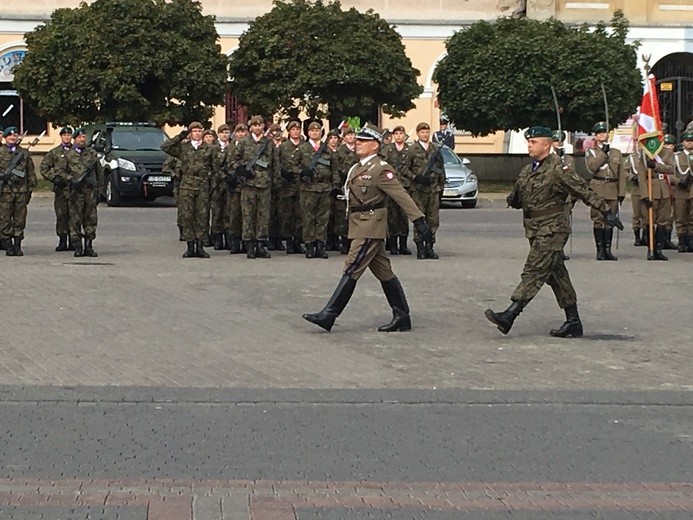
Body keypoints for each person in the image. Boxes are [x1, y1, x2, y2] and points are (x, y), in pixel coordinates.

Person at [485, 126, 623, 337]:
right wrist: (513, 199)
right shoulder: (528, 169)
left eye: (533, 142)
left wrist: (606, 211)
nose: (529, 145)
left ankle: (509, 315)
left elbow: (582, 189)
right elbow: (518, 196)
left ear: (547, 145)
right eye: (528, 142)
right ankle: (573, 321)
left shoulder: (558, 168)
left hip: (553, 229)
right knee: (557, 275)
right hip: (534, 228)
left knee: (534, 270)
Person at [302, 123, 433, 333]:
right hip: (358, 222)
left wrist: (418, 219)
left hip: (371, 224)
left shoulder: (381, 168)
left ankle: (329, 314)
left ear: (375, 145)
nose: (357, 144)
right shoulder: (358, 167)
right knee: (384, 272)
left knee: (352, 266)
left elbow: (400, 195)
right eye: (358, 140)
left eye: (363, 141)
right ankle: (402, 316)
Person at [161, 121, 216, 258]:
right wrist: (180, 136)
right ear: (190, 133)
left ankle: (200, 246)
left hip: (202, 185)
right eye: (194, 131)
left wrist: (212, 185)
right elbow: (165, 147)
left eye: (199, 131)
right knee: (187, 216)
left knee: (202, 217)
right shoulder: (184, 147)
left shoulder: (208, 148)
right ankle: (190, 246)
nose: (197, 133)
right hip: (186, 185)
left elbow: (215, 167)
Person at [401, 122, 445, 259]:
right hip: (418, 191)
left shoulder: (435, 149)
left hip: (433, 190)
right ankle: (420, 247)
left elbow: (441, 170)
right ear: (418, 134)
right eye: (422, 132)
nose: (425, 134)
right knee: (419, 219)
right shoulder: (412, 150)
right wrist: (416, 178)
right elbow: (403, 169)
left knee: (433, 220)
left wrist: (441, 187)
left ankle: (429, 247)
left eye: (427, 132)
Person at [584, 121, 626, 261]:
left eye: (605, 132)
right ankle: (600, 250)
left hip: (612, 188)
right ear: (596, 136)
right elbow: (592, 167)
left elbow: (621, 175)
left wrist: (621, 193)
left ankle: (608, 250)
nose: (603, 134)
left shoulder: (616, 153)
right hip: (598, 188)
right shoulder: (592, 152)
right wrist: (603, 153)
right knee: (598, 219)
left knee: (611, 220)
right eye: (600, 133)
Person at [236, 115, 276, 259]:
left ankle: (261, 244)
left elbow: (274, 163)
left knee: (263, 216)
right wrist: (241, 170)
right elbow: (233, 161)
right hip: (248, 185)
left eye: (260, 125)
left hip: (264, 184)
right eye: (255, 125)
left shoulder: (268, 143)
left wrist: (275, 181)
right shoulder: (243, 142)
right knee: (248, 215)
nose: (258, 128)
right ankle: (249, 245)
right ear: (251, 127)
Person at [299, 121, 340, 259]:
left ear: (321, 133)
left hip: (325, 188)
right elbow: (292, 166)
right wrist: (302, 172)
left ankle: (321, 245)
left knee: (323, 218)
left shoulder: (327, 149)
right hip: (308, 188)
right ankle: (310, 246)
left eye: (317, 131)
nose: (315, 133)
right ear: (308, 133)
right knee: (308, 218)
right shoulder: (302, 148)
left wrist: (335, 185)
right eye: (312, 131)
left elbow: (334, 169)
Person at [65, 127, 104, 257]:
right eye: (80, 137)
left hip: (90, 192)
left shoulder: (91, 154)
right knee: (75, 220)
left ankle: (89, 246)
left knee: (91, 219)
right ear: (74, 139)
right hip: (75, 193)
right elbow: (60, 172)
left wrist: (100, 189)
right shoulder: (68, 155)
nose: (82, 140)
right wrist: (71, 180)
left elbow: (99, 173)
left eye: (84, 137)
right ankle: (77, 246)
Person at [632, 145, 674, 260]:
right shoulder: (644, 154)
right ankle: (651, 249)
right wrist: (645, 195)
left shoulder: (667, 152)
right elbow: (641, 176)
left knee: (663, 221)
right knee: (649, 221)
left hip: (664, 190)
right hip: (650, 191)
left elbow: (672, 168)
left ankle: (659, 250)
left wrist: (656, 166)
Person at [0, 126, 37, 256]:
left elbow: (30, 172)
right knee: (5, 219)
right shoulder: (0, 152)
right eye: (10, 136)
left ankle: (17, 244)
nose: (13, 137)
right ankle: (8, 244)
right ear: (5, 138)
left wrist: (31, 188)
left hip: (21, 191)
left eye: (15, 135)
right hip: (5, 192)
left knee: (20, 219)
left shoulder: (24, 153)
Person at [40, 126, 74, 251]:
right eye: (64, 135)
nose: (67, 137)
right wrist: (54, 178)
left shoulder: (77, 152)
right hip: (61, 189)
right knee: (61, 215)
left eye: (69, 135)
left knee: (75, 215)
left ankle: (74, 240)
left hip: (75, 189)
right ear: (61, 136)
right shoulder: (54, 152)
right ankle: (62, 240)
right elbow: (44, 168)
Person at [277, 120, 306, 254]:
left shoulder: (304, 146)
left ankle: (298, 241)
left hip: (301, 183)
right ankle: (289, 241)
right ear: (289, 131)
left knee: (300, 214)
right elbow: (277, 163)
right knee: (287, 214)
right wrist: (282, 173)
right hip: (287, 184)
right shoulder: (283, 147)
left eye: (298, 129)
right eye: (293, 129)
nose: (295, 131)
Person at [381, 125, 412, 255]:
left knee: (404, 216)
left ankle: (403, 244)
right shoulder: (387, 150)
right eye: (397, 134)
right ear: (393, 136)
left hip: (405, 186)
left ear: (404, 135)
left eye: (401, 133)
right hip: (391, 186)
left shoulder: (409, 150)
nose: (399, 136)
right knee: (392, 216)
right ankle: (392, 244)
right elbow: (383, 166)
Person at [673, 130, 693, 252]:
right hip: (681, 190)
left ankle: (690, 241)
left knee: (692, 216)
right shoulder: (676, 157)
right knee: (680, 216)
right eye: (687, 141)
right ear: (683, 142)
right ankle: (681, 241)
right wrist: (678, 181)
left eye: (691, 141)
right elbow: (670, 172)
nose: (689, 143)